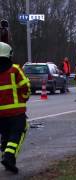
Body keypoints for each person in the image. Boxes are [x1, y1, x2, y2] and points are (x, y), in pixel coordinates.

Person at [0, 42, 30, 174]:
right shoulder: (15, 69)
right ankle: (9, 156)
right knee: (18, 133)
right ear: (9, 54)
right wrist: (24, 98)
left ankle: (7, 159)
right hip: (16, 112)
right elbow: (26, 87)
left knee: (5, 135)